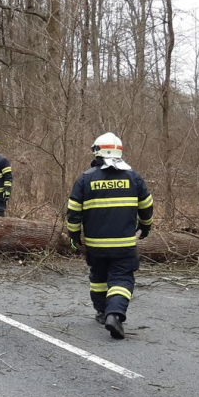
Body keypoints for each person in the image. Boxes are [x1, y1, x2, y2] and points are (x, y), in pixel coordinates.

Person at [66, 132, 153, 340]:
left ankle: (101, 311)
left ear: (97, 152)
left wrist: (73, 235)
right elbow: (147, 205)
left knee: (98, 277)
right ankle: (114, 314)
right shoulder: (133, 177)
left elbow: (73, 211)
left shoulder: (85, 179)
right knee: (121, 278)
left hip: (95, 244)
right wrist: (146, 226)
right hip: (124, 244)